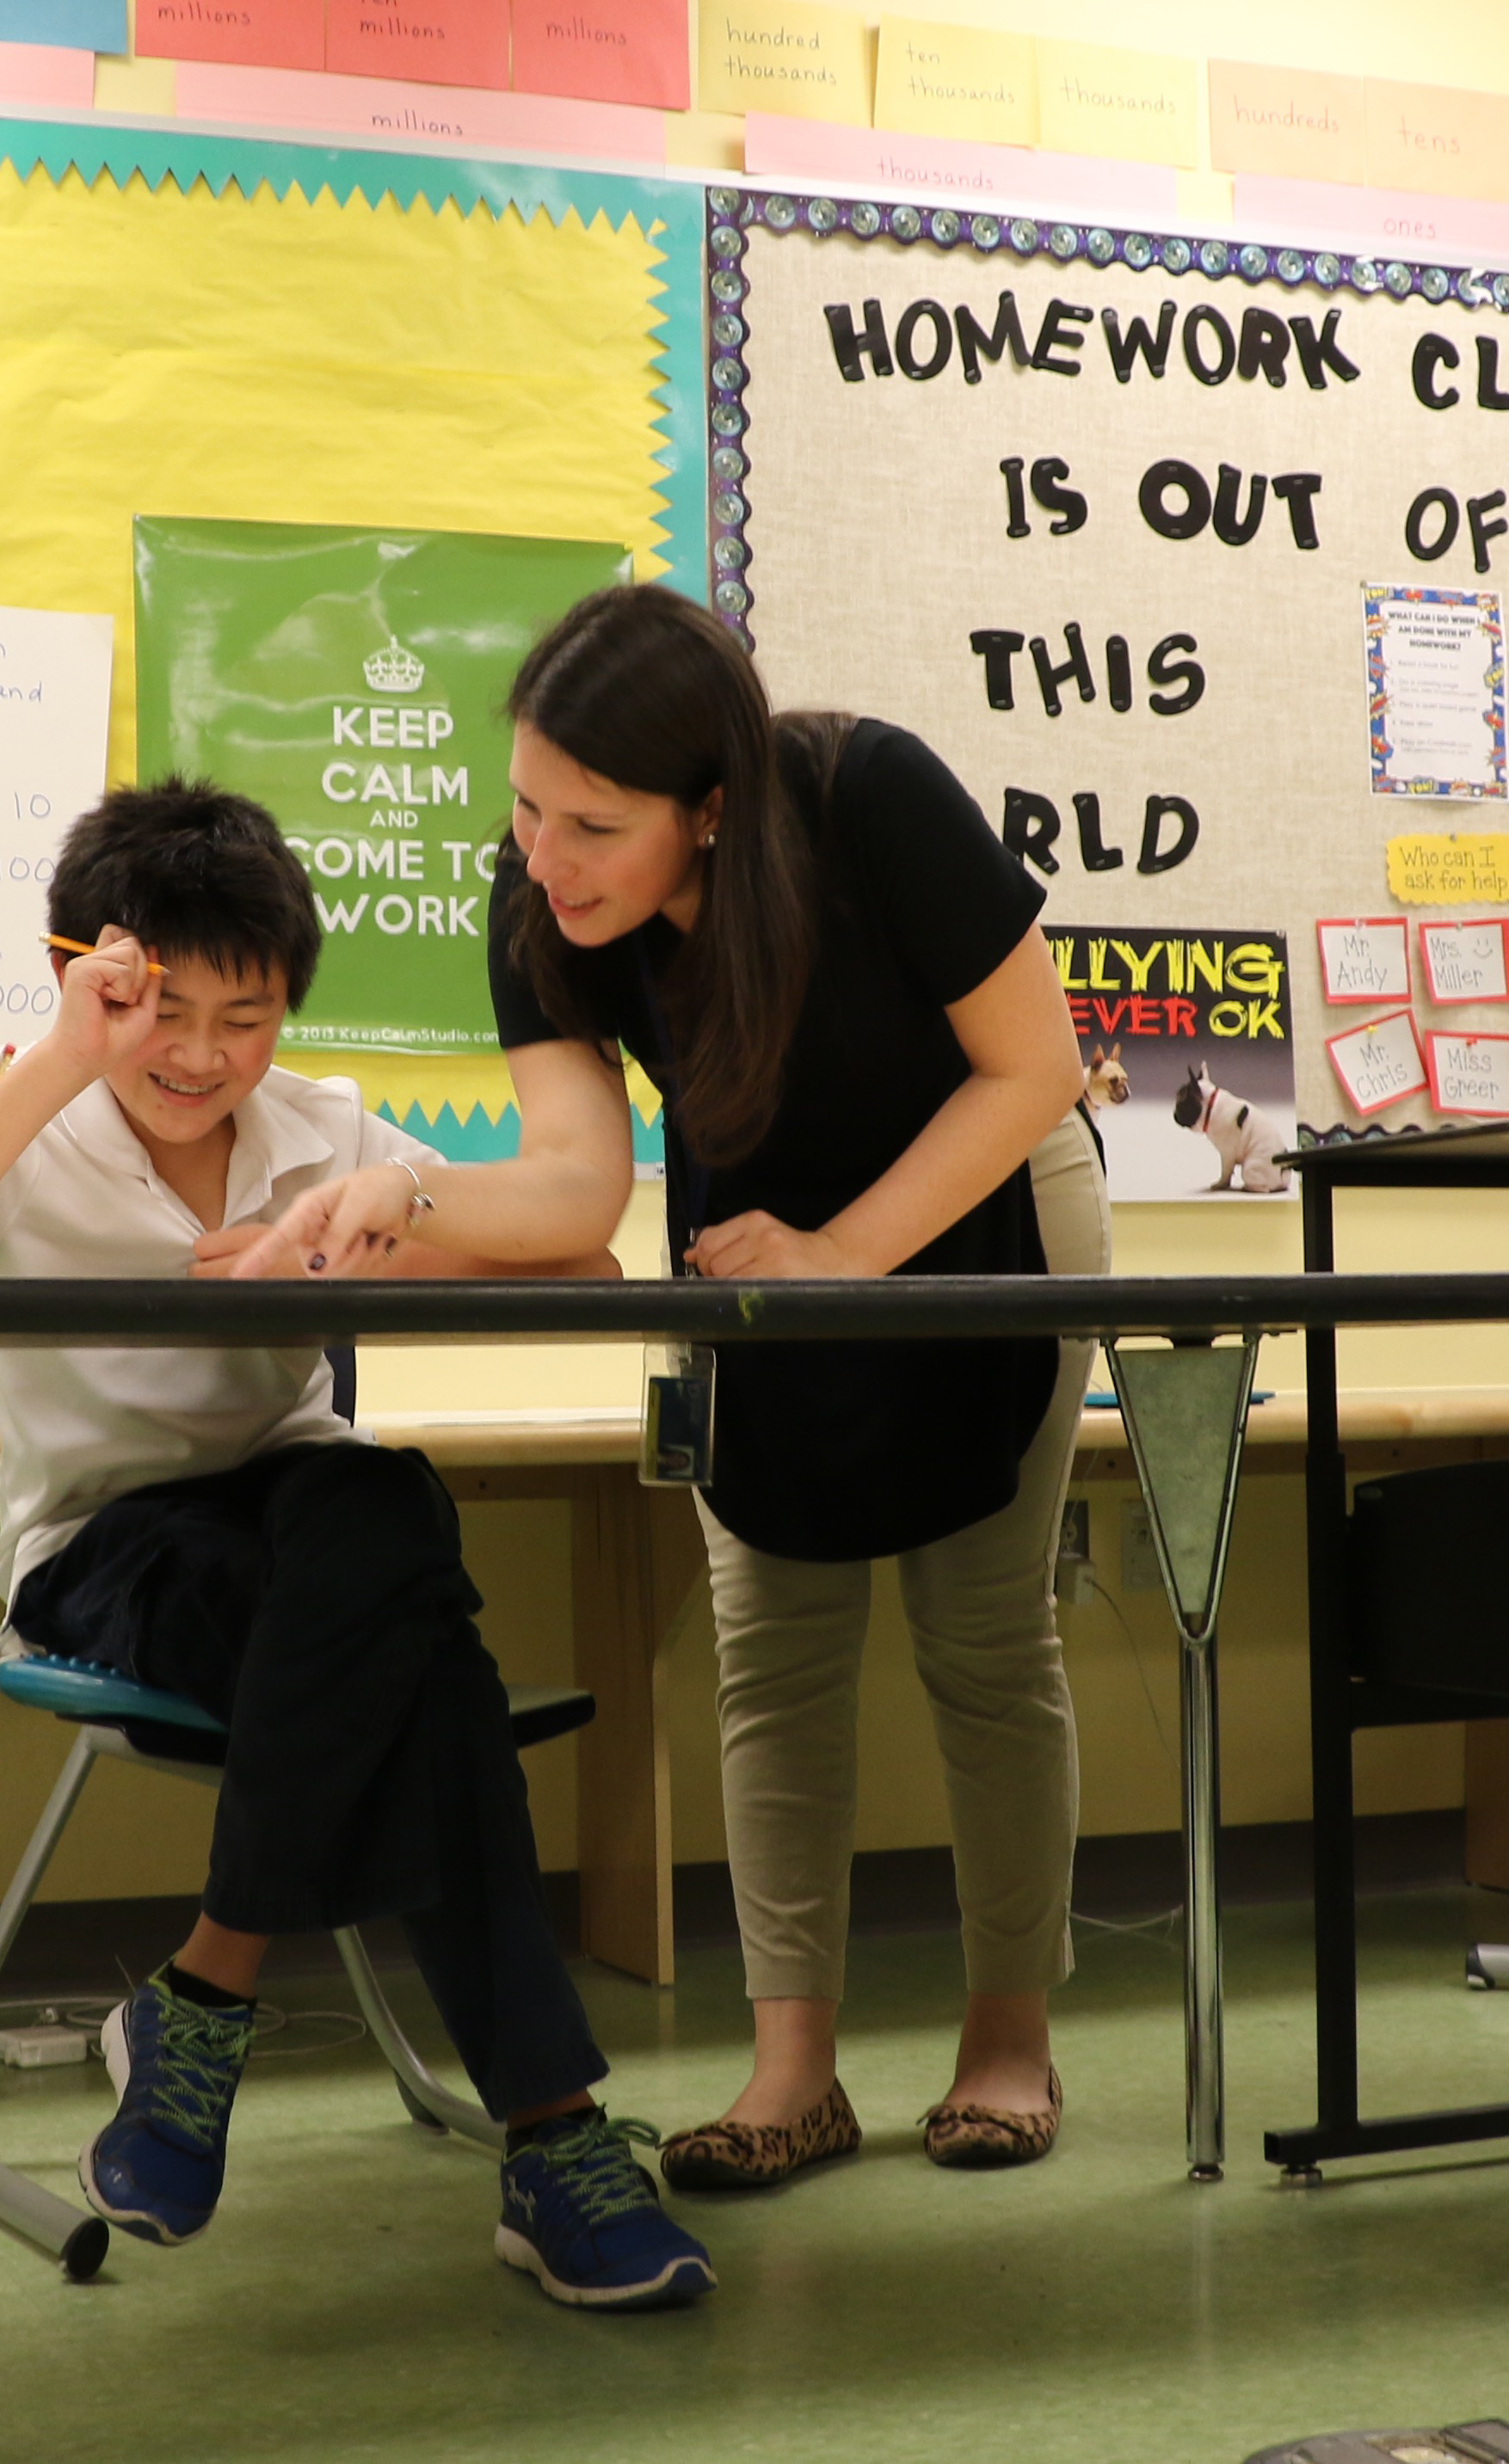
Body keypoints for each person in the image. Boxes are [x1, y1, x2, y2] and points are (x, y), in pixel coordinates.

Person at [259, 584, 1109, 2185]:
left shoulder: (870, 797)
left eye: (593, 823)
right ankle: (796, 2070)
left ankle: (1010, 2035)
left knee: (986, 1633)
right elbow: (577, 1189)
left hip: (988, 1189)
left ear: (709, 812)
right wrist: (406, 1194)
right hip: (759, 1231)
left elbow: (1034, 1068)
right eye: (523, 806)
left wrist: (848, 1255)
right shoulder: (541, 915)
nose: (545, 855)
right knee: (770, 1641)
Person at [0, 780, 715, 2313]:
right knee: (430, 1669)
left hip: (304, 1515)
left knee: (383, 1507)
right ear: (90, 976)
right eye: (159, 1010)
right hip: (104, 1544)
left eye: (246, 1018)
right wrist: (69, 1045)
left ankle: (206, 1993)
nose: (202, 1056)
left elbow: (582, 1254)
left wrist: (369, 1224)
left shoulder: (322, 1124)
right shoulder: (17, 1094)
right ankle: (554, 2135)